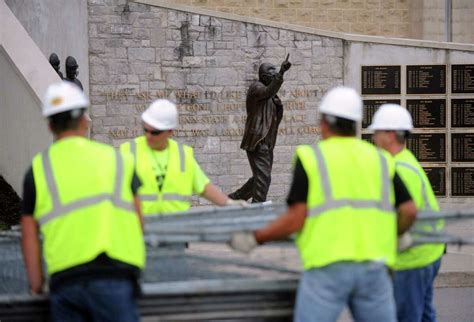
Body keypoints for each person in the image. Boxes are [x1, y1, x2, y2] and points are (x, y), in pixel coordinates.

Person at [230, 87, 418, 322]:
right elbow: (409, 210)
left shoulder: (311, 158)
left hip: (327, 268)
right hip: (374, 266)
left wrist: (255, 237)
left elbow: (296, 218)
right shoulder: (380, 158)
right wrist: (395, 234)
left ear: (325, 122)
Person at [21, 81, 145, 322]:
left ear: (49, 125)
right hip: (115, 276)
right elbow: (138, 219)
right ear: (84, 120)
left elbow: (29, 235)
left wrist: (36, 285)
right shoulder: (118, 160)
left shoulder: (38, 170)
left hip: (66, 282)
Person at [369, 104, 445, 322]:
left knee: (408, 316)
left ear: (391, 135)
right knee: (424, 314)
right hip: (429, 251)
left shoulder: (399, 168)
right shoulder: (405, 159)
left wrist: (390, 237)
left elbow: (407, 212)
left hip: (413, 257)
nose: (374, 138)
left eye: (377, 132)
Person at [120, 99, 244, 216]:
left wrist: (228, 203)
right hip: (138, 228)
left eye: (155, 132)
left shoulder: (182, 154)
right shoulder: (128, 151)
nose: (148, 135)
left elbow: (204, 187)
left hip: (176, 230)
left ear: (169, 132)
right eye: (145, 130)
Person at [228, 56, 291, 203]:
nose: (275, 74)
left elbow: (275, 118)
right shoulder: (256, 88)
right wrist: (282, 72)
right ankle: (257, 209)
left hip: (267, 143)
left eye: (276, 71)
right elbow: (268, 91)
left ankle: (235, 197)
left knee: (261, 177)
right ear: (263, 76)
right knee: (263, 179)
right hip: (257, 141)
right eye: (272, 72)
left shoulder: (272, 96)